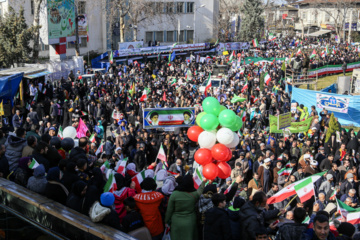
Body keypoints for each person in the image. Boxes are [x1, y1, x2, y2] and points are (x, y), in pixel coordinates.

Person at [165, 174, 206, 240]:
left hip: (176, 222)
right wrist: (203, 182)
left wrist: (166, 221)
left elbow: (169, 210)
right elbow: (200, 190)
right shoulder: (194, 194)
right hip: (190, 221)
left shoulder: (174, 194)